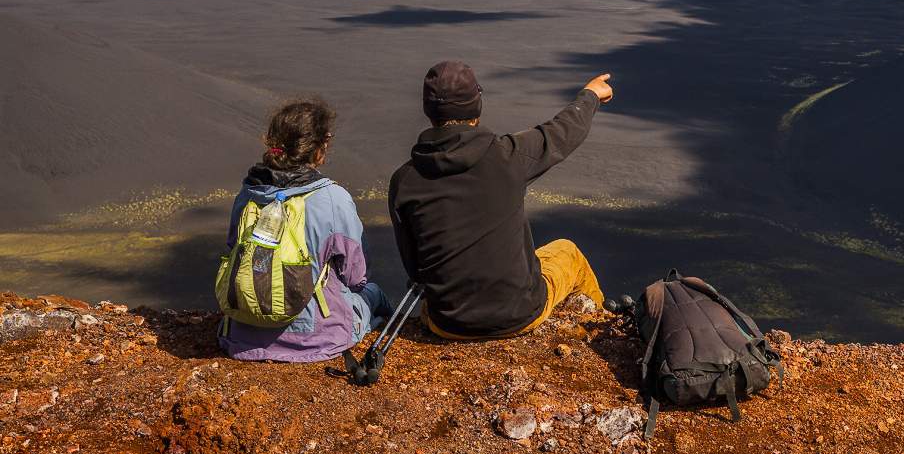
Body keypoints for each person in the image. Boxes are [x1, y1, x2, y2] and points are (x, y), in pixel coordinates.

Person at [388, 61, 612, 339]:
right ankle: (603, 328)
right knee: (568, 253)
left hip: (447, 324)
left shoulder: (404, 181)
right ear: (477, 106)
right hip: (520, 314)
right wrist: (590, 95)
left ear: (428, 109)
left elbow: (415, 269)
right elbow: (560, 133)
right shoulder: (508, 156)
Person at [219, 98, 390, 361]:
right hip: (316, 338)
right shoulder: (333, 198)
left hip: (242, 333)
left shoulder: (248, 194)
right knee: (373, 293)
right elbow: (356, 276)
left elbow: (233, 253)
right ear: (320, 148)